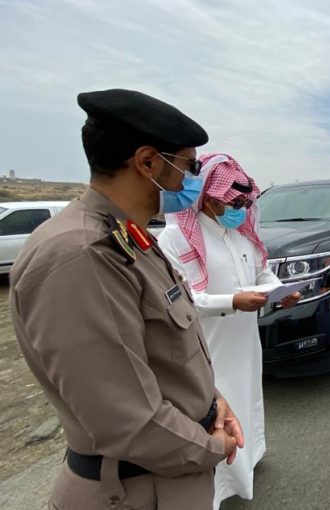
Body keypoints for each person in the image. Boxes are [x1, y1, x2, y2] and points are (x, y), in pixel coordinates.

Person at [10, 88, 243, 509]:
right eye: (189, 166)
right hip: (136, 489)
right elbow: (127, 420)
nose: (192, 180)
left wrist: (213, 404)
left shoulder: (129, 238)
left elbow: (168, 355)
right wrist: (214, 446)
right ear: (148, 162)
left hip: (168, 477)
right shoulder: (82, 256)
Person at [158, 153, 300, 508]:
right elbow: (184, 299)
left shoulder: (242, 235)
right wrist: (233, 301)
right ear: (208, 198)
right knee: (215, 415)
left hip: (245, 343)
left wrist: (279, 291)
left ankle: (248, 463)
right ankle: (218, 489)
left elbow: (262, 273)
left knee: (247, 400)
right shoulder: (175, 239)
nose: (241, 209)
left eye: (245, 203)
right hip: (207, 348)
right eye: (234, 202)